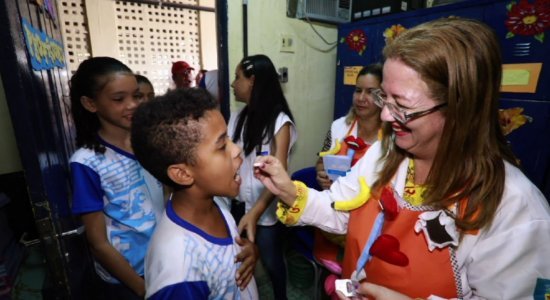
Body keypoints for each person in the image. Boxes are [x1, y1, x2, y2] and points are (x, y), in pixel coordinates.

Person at [253, 17, 550, 299]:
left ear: (460, 108)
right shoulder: (385, 154)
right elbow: (342, 212)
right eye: (385, 98)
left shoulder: (515, 209)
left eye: (402, 105)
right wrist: (289, 191)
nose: (384, 114)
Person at [131, 88, 259, 299]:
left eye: (229, 138)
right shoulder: (179, 272)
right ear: (182, 174)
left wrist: (251, 252)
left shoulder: (213, 200)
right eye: (221, 146)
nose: (236, 149)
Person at [68, 57, 164, 299]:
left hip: (164, 259)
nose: (133, 105)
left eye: (137, 95)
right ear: (91, 103)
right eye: (119, 99)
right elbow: (98, 243)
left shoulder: (149, 142)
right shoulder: (87, 162)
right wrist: (141, 289)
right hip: (127, 277)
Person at [229, 54, 296, 300]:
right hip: (236, 203)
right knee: (240, 258)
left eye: (237, 78)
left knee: (271, 261)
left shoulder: (280, 122)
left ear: (253, 81)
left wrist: (255, 213)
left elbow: (279, 175)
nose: (233, 83)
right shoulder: (237, 116)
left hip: (264, 209)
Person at [316, 64, 382, 190]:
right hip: (338, 201)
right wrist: (322, 175)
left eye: (370, 92)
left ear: (384, 97)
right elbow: (321, 162)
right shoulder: (338, 126)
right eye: (358, 90)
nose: (361, 98)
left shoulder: (394, 136)